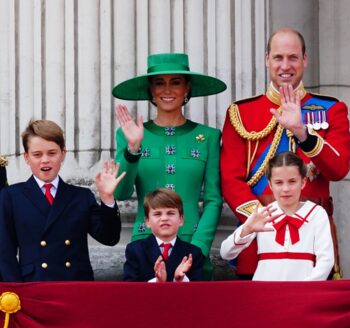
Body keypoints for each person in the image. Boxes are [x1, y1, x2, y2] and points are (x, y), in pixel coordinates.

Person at [220, 27, 350, 279]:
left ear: (305, 59)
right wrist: (263, 220)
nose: (285, 65)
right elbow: (230, 180)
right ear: (266, 59)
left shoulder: (332, 109)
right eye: (278, 57)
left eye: (292, 57)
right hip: (261, 237)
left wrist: (304, 134)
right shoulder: (242, 113)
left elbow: (339, 169)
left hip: (313, 236)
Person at [112, 53, 226, 280]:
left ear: (187, 88)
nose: (167, 90)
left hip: (192, 246)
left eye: (176, 82)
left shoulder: (209, 136)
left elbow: (214, 199)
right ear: (150, 90)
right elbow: (120, 192)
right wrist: (133, 148)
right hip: (144, 247)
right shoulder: (130, 134)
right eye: (159, 83)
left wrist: (199, 249)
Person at [0, 120, 124, 281]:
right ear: (26, 157)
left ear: (63, 154)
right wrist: (14, 292)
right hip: (32, 286)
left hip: (75, 286)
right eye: (37, 154)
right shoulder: (11, 196)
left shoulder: (81, 196)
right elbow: (4, 252)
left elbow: (110, 238)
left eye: (52, 153)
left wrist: (107, 199)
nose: (45, 160)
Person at [220, 151, 334, 281]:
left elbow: (326, 261)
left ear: (303, 182)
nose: (285, 189)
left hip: (303, 293)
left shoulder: (317, 213)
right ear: (270, 185)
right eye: (279, 182)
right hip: (264, 293)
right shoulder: (262, 214)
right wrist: (246, 229)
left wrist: (306, 289)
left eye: (292, 181)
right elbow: (226, 253)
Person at [123, 188, 204, 282]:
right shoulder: (135, 250)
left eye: (170, 213)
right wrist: (157, 282)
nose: (164, 218)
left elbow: (198, 292)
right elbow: (129, 290)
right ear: (147, 221)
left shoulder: (193, 253)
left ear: (181, 220)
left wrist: (179, 280)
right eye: (157, 214)